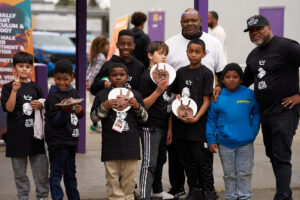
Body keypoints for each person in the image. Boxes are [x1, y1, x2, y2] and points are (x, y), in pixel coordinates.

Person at [214, 15, 300, 200]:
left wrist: (299, 96)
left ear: (269, 27)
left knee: (281, 154)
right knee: (273, 154)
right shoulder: (253, 55)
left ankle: (283, 196)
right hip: (265, 112)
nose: (255, 33)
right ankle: (284, 194)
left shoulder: (287, 47)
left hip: (285, 111)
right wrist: (221, 85)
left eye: (258, 29)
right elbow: (242, 81)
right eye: (251, 31)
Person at [165, 8, 226, 197]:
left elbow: (222, 72)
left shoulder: (213, 42)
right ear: (181, 23)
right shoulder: (171, 43)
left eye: (194, 20)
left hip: (202, 115)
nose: (190, 23)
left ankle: (207, 189)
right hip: (177, 111)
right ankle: (182, 188)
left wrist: (219, 86)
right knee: (178, 156)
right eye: (186, 21)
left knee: (202, 156)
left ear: (201, 21)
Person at [90, 63, 148, 200]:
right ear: (108, 77)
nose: (118, 78)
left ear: (127, 77)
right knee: (112, 181)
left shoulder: (135, 95)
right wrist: (105, 106)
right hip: (111, 147)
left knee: (129, 182)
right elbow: (94, 118)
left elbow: (145, 119)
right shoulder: (102, 95)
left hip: (131, 147)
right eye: (114, 75)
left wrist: (137, 106)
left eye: (121, 75)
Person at [171, 39, 218, 200]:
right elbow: (176, 96)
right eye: (190, 51)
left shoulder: (206, 73)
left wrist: (196, 118)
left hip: (197, 125)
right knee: (187, 161)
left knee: (202, 160)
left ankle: (209, 191)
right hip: (181, 124)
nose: (193, 54)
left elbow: (206, 100)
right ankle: (194, 190)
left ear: (204, 54)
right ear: (186, 52)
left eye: (197, 52)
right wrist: (177, 99)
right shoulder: (181, 72)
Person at [206, 63, 260, 200]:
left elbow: (257, 113)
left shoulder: (249, 94)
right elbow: (211, 119)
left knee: (245, 173)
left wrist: (252, 132)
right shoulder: (217, 96)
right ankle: (230, 197)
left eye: (235, 77)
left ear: (241, 79)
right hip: (225, 144)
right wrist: (211, 139)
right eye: (227, 77)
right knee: (229, 174)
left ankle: (245, 197)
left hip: (245, 143)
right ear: (222, 80)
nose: (231, 79)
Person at [1, 51, 49, 200]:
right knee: (20, 174)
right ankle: (23, 197)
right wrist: (15, 90)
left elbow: (45, 109)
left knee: (41, 172)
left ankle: (42, 196)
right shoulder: (8, 87)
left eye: (28, 66)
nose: (24, 69)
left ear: (32, 68)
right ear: (14, 68)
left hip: (36, 137)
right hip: (16, 138)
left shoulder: (36, 87)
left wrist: (41, 106)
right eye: (20, 66)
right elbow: (9, 108)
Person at [138, 41, 174, 200]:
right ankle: (144, 195)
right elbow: (142, 105)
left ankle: (157, 190)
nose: (164, 57)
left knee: (160, 160)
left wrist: (170, 129)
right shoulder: (146, 77)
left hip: (164, 126)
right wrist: (158, 91)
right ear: (150, 55)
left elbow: (170, 103)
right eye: (160, 53)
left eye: (165, 54)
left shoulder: (168, 75)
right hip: (150, 127)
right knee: (149, 163)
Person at [45, 59, 84, 200]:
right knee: (56, 174)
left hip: (71, 141)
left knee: (70, 174)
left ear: (72, 78)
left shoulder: (73, 91)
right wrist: (65, 110)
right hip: (57, 142)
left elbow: (77, 116)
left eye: (65, 79)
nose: (62, 82)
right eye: (58, 79)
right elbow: (56, 122)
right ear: (54, 77)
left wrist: (80, 112)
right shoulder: (52, 96)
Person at [90, 29, 145, 95]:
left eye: (129, 44)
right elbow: (93, 89)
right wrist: (104, 83)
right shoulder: (108, 65)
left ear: (134, 46)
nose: (126, 47)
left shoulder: (139, 66)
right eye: (122, 44)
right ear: (117, 45)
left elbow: (143, 90)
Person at [86, 36, 109, 133]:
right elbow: (96, 72)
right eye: (107, 44)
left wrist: (87, 81)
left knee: (95, 104)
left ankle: (95, 124)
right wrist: (90, 84)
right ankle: (95, 124)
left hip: (91, 83)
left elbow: (89, 70)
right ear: (103, 46)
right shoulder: (101, 57)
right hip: (96, 85)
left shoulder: (95, 55)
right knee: (98, 104)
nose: (108, 46)